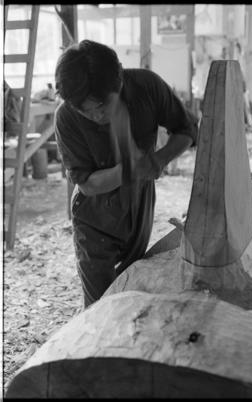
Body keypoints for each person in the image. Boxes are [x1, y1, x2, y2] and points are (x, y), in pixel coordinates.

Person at [54, 39, 197, 308]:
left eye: (102, 105)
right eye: (86, 110)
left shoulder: (147, 86)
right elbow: (86, 184)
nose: (97, 115)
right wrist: (130, 169)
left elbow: (187, 130)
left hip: (139, 205)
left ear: (119, 75)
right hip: (94, 216)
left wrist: (160, 158)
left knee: (132, 288)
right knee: (101, 306)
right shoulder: (66, 118)